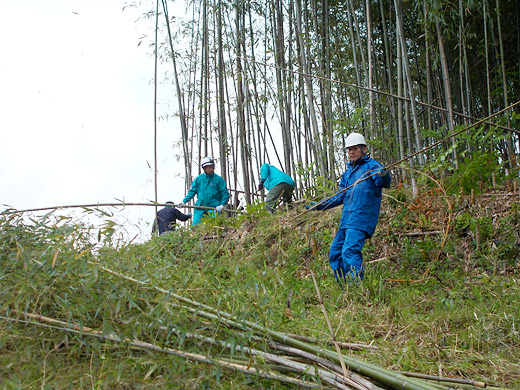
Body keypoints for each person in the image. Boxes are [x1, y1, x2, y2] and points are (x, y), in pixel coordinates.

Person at [309, 132, 391, 285]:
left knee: (349, 251)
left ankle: (356, 289)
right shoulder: (347, 174)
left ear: (363, 149)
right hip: (346, 220)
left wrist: (384, 175)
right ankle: (344, 286)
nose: (351, 152)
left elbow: (383, 182)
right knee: (335, 253)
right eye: (349, 150)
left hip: (361, 219)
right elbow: (339, 197)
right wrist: (319, 205)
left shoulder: (371, 166)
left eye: (354, 149)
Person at [180, 157, 230, 225]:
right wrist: (184, 201)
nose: (211, 169)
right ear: (204, 168)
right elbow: (192, 192)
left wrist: (222, 205)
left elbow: (225, 193)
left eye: (212, 167)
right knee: (195, 226)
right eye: (209, 168)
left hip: (214, 208)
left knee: (215, 226)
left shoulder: (219, 180)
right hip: (200, 207)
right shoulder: (198, 179)